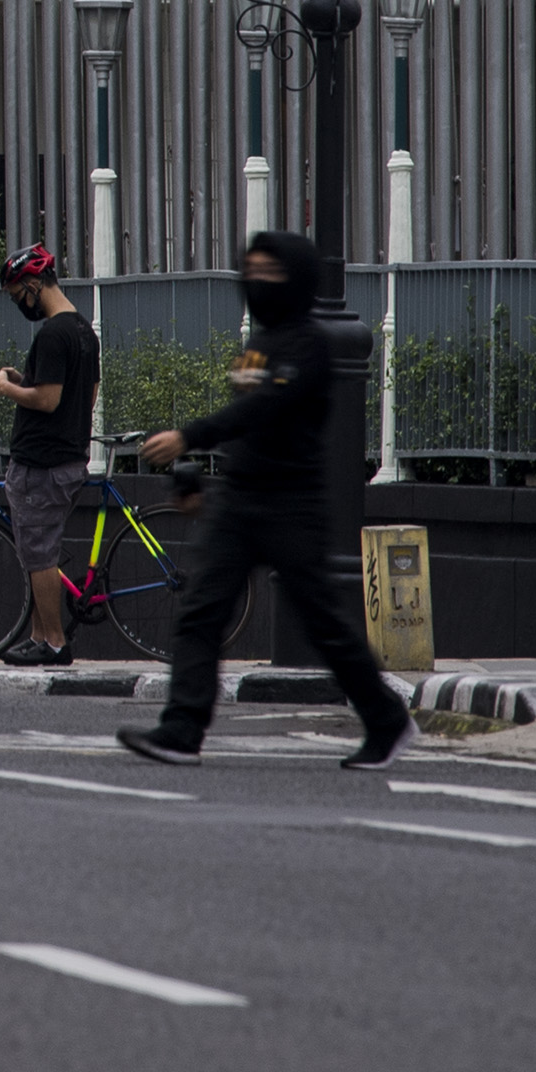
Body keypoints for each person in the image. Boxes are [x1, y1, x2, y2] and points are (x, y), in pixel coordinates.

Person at [120, 229, 413, 770]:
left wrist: (189, 437)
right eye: (250, 271)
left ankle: (386, 718)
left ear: (297, 280)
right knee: (200, 610)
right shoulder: (259, 342)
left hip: (290, 504)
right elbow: (246, 422)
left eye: (270, 273)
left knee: (321, 621)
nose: (257, 282)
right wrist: (194, 480)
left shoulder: (308, 346)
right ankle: (182, 730)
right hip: (238, 498)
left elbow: (261, 412)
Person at [0, 242, 100, 665]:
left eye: (16, 296)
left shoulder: (51, 333)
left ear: (32, 284)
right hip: (68, 457)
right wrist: (20, 377)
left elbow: (46, 400)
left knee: (40, 556)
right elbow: (85, 394)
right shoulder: (83, 330)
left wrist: (4, 387)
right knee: (36, 551)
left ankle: (54, 643)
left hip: (42, 465)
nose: (19, 304)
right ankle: (37, 636)